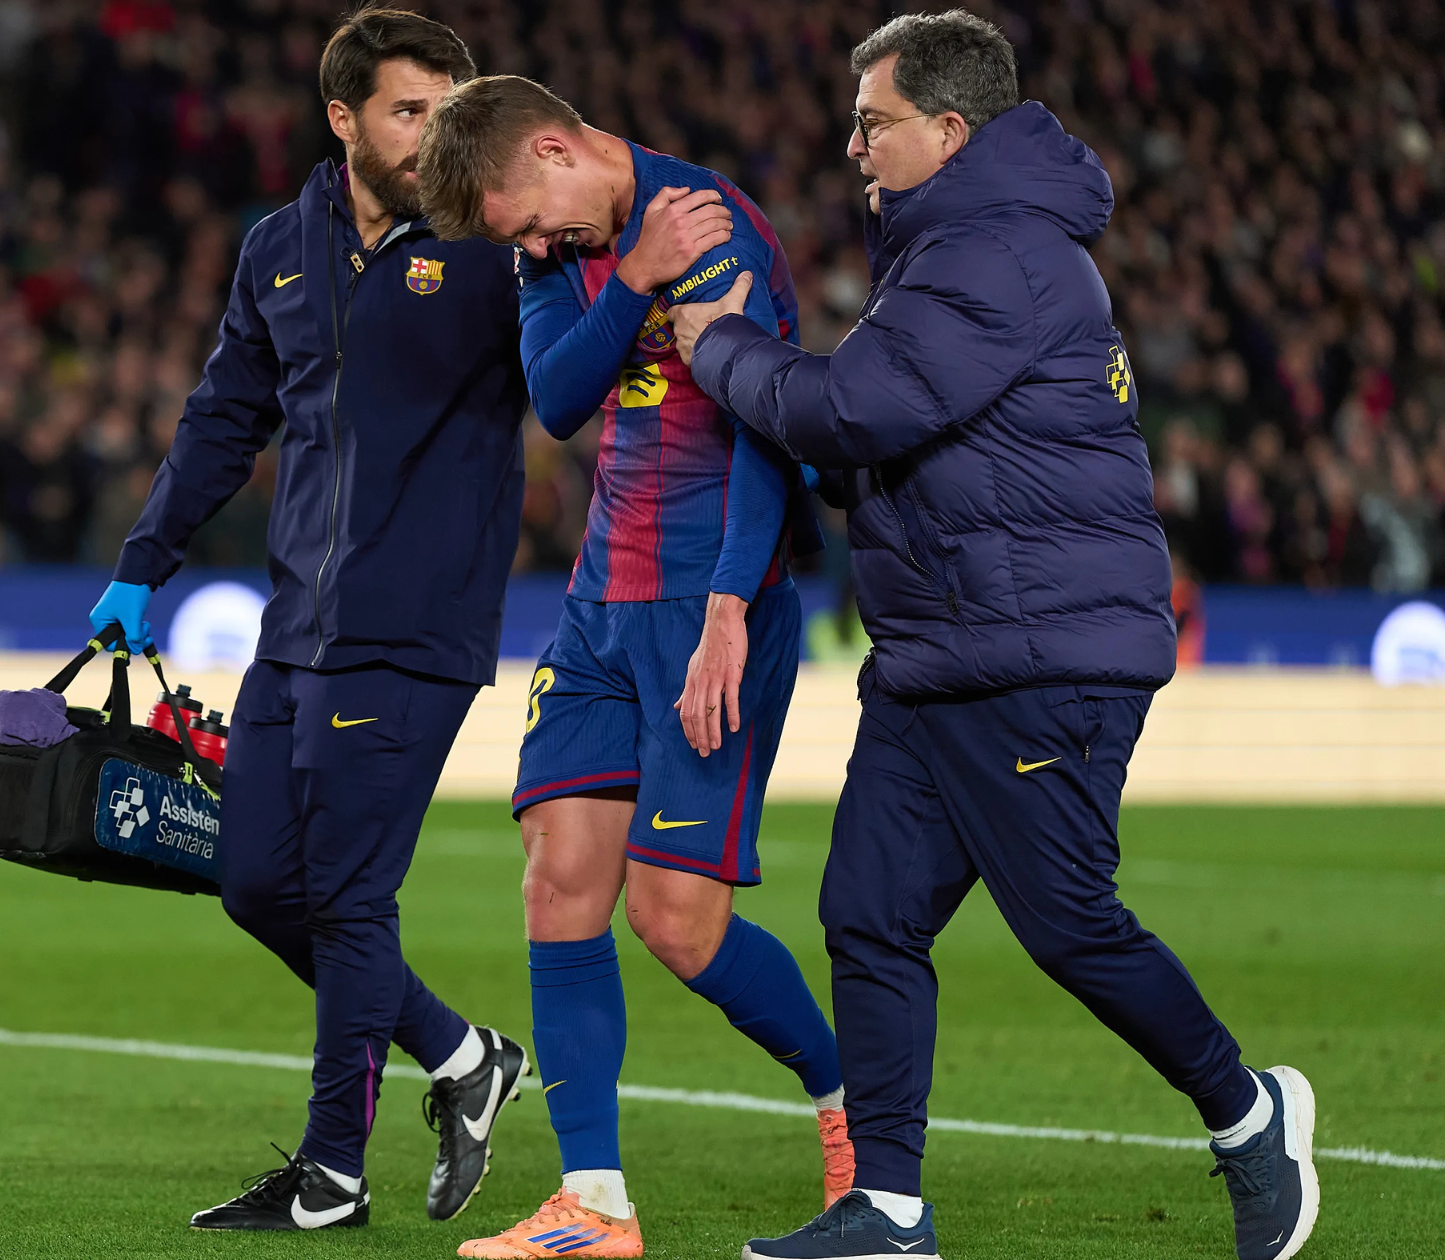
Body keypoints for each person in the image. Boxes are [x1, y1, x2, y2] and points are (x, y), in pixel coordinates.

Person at [670, 13, 1317, 1260]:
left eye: (873, 122)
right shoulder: (952, 252)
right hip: (942, 653)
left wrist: (726, 352)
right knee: (868, 914)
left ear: (949, 130)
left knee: (1065, 920)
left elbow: (853, 411)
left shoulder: (994, 255)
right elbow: (904, 450)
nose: (851, 144)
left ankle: (1248, 1114)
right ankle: (888, 1208)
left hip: (1037, 652)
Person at [88, 9, 532, 1233]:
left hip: (414, 625)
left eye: (448, 109)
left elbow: (568, 383)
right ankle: (463, 1058)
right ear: (342, 118)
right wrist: (140, 567)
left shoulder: (495, 247)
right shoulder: (279, 248)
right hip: (295, 628)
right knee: (252, 884)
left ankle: (331, 1175)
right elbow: (222, 417)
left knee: (344, 897)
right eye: (407, 110)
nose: (433, 132)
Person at [415, 75, 850, 1259]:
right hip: (600, 603)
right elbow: (557, 398)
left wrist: (727, 609)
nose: (531, 248)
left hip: (711, 606)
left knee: (675, 924)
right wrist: (632, 282)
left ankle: (848, 1102)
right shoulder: (566, 253)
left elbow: (764, 427)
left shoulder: (712, 223)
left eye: (528, 223)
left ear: (556, 150)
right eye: (516, 240)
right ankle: (594, 1206)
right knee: (557, 882)